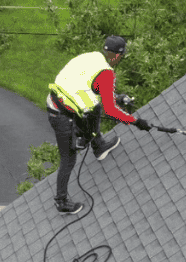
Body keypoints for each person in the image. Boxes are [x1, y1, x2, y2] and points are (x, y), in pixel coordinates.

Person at [46, 35, 151, 214]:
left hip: (62, 100)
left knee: (95, 108)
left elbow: (87, 84)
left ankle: (99, 146)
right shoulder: (107, 73)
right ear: (117, 56)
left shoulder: (92, 57)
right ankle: (61, 202)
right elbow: (111, 110)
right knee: (69, 159)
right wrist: (136, 122)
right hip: (61, 114)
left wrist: (116, 96)